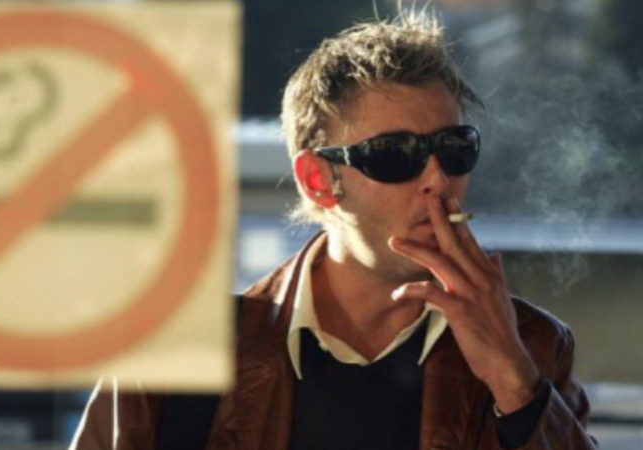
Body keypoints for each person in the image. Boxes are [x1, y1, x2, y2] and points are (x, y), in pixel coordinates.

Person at [71, 12, 598, 450]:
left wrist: (513, 380)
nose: (438, 180)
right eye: (394, 155)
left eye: (455, 148)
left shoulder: (532, 346)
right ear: (318, 180)